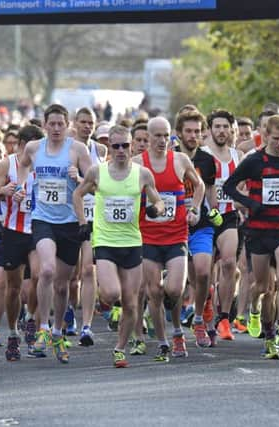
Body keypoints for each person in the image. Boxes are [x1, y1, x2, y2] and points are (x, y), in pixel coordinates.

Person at [73, 125, 164, 367]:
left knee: (131, 302)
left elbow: (158, 199)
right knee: (111, 293)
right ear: (109, 148)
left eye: (125, 145)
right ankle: (107, 307)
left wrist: (157, 209)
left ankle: (120, 348)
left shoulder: (142, 174)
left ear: (132, 145)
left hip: (132, 242)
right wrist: (83, 223)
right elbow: (77, 195)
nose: (121, 150)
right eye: (116, 146)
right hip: (105, 241)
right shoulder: (97, 172)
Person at [223, 115, 279, 359]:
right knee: (262, 287)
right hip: (259, 231)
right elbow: (229, 186)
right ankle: (254, 311)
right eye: (276, 139)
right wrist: (250, 203)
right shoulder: (254, 161)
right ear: (266, 136)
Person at [14, 104, 92, 363]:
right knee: (45, 270)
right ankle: (43, 329)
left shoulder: (77, 150)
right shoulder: (34, 148)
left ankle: (58, 330)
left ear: (67, 125)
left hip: (70, 222)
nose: (57, 128)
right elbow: (23, 166)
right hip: (43, 219)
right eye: (52, 124)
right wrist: (23, 185)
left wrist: (79, 178)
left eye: (61, 124)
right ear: (45, 125)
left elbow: (95, 184)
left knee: (62, 285)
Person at [133, 116, 205, 362]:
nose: (163, 141)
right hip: (148, 237)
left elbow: (200, 186)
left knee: (174, 289)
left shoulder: (180, 160)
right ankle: (165, 340)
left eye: (166, 136)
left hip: (176, 236)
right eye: (157, 136)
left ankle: (176, 330)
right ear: (148, 137)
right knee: (153, 291)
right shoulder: (137, 165)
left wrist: (194, 209)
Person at [0, 124, 44, 360]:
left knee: (41, 275)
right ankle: (12, 333)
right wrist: (5, 190)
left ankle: (31, 318)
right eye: (29, 149)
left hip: (38, 229)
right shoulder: (7, 163)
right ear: (20, 146)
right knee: (13, 289)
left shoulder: (45, 165)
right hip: (12, 230)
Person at [174, 109, 219, 348]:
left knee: (203, 273)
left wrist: (212, 211)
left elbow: (210, 192)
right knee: (181, 282)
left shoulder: (207, 160)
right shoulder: (170, 158)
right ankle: (176, 329)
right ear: (179, 133)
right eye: (189, 131)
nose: (193, 135)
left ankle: (199, 319)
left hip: (201, 226)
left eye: (197, 131)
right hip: (174, 228)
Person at [204, 109, 243, 341]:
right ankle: (206, 306)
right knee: (204, 273)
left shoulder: (238, 156)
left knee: (229, 263)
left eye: (225, 127)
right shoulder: (202, 154)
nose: (221, 131)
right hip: (206, 219)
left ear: (231, 130)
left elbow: (245, 186)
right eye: (216, 126)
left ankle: (224, 317)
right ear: (210, 129)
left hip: (229, 216)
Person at [70, 107, 107, 345]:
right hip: (69, 214)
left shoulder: (100, 150)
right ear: (75, 123)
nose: (87, 126)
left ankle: (86, 325)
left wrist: (82, 180)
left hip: (94, 214)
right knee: (70, 274)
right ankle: (67, 313)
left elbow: (102, 184)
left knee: (87, 270)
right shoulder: (67, 148)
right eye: (82, 122)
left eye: (90, 122)